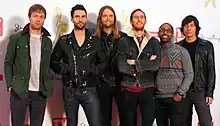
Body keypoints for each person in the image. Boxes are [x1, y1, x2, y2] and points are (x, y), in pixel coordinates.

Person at [50, 4, 106, 126]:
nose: (80, 19)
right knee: (71, 123)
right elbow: (53, 61)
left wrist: (93, 70)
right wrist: (65, 69)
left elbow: (104, 62)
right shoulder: (63, 41)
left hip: (90, 88)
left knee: (96, 123)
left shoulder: (95, 42)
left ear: (86, 19)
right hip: (69, 90)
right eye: (77, 16)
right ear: (72, 19)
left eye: (83, 16)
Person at [4, 4, 53, 126]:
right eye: (35, 16)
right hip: (20, 90)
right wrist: (10, 83)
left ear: (44, 19)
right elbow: (8, 62)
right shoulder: (16, 38)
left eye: (41, 16)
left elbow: (48, 65)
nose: (38, 19)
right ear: (29, 17)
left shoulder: (47, 41)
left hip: (40, 92)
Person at [116, 8, 161, 126]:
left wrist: (134, 63)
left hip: (147, 88)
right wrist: (146, 63)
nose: (139, 19)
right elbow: (121, 66)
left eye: (141, 17)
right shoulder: (123, 41)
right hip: (128, 88)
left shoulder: (154, 42)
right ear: (131, 22)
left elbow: (155, 65)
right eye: (136, 17)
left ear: (145, 21)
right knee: (128, 123)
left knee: (148, 122)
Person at [177, 15, 216, 126]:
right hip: (183, 91)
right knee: (183, 122)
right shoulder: (178, 47)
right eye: (186, 25)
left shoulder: (206, 46)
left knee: (205, 122)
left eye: (192, 25)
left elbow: (211, 70)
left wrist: (210, 92)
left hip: (200, 91)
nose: (189, 28)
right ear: (182, 29)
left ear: (196, 28)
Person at [155, 23, 194, 126]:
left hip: (176, 98)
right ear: (158, 33)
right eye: (162, 30)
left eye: (168, 30)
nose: (165, 32)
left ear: (172, 34)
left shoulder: (182, 51)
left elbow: (189, 74)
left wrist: (180, 93)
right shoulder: (154, 51)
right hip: (158, 98)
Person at [95, 5, 127, 126]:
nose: (108, 18)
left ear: (114, 18)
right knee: (104, 119)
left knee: (125, 117)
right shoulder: (94, 39)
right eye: (105, 16)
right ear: (100, 19)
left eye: (110, 15)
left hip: (122, 83)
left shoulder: (124, 38)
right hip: (102, 83)